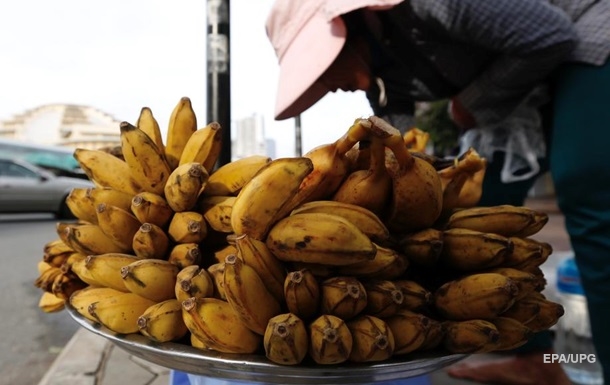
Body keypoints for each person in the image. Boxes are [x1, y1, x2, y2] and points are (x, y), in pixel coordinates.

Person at [265, 0, 610, 384]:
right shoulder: (386, 70)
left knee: (590, 192)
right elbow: (403, 157)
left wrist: (466, 106)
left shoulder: (432, 4)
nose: (329, 87)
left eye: (323, 73)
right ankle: (535, 360)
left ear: (345, 30)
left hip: (588, 37)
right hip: (530, 89)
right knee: (476, 219)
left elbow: (553, 36)